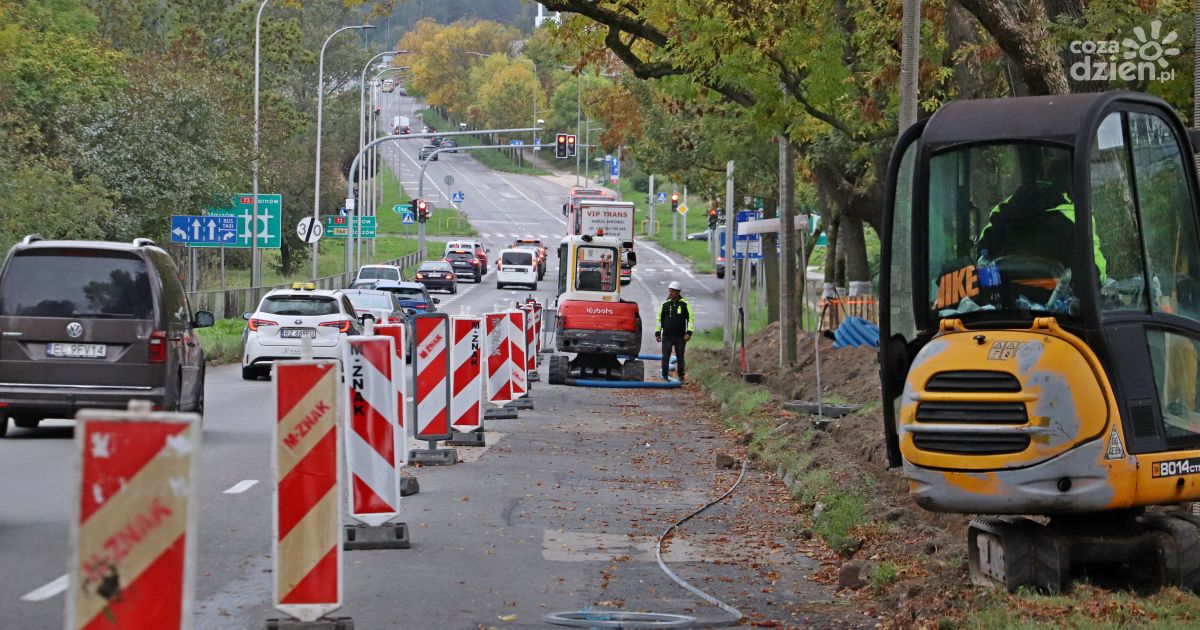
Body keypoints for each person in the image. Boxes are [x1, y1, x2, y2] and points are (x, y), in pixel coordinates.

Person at [655, 281, 694, 383]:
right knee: (665, 357)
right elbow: (659, 319)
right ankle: (664, 376)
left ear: (678, 292)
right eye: (669, 291)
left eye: (672, 291)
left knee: (680, 356)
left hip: (680, 336)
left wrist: (689, 332)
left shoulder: (685, 304)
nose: (670, 293)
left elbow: (691, 318)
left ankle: (681, 377)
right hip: (667, 336)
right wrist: (658, 333)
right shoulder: (665, 305)